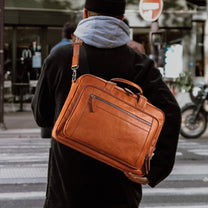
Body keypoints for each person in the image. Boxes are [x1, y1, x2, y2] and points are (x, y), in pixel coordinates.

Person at [31, 0, 181, 207]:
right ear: (121, 19)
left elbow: (42, 117)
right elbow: (171, 111)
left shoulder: (61, 57)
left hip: (68, 186)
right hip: (119, 187)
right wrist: (157, 168)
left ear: (85, 14)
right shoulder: (139, 63)